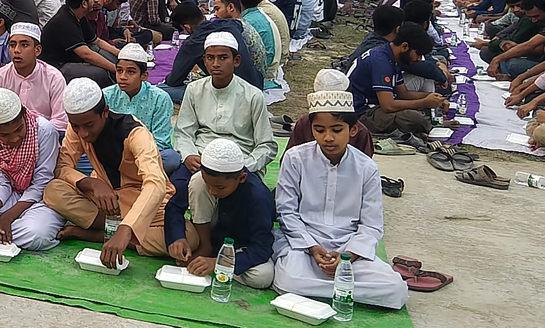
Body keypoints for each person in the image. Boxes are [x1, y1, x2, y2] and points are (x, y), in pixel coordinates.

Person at [272, 89, 409, 309]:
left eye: (337, 130)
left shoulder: (366, 167)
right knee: (287, 280)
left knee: (396, 289)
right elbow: (286, 211)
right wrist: (313, 247)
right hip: (304, 243)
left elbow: (372, 225)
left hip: (349, 245)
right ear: (311, 130)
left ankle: (323, 287)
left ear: (353, 129)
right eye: (319, 130)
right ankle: (346, 289)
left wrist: (348, 256)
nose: (328, 137)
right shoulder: (295, 158)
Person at [43, 78, 174, 268]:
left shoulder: (136, 134)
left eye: (89, 125)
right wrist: (91, 184)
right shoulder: (77, 126)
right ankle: (119, 232)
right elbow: (63, 166)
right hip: (105, 200)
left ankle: (105, 234)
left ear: (105, 112)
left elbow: (156, 184)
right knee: (53, 191)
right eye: (76, 126)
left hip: (141, 201)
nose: (83, 134)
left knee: (186, 238)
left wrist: (127, 228)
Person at [169, 32, 277, 231]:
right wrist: (188, 154)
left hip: (239, 163)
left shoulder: (253, 95)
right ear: (204, 60)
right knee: (173, 191)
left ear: (236, 61)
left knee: (260, 201)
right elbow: (183, 132)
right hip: (201, 159)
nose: (216, 64)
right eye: (210, 58)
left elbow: (266, 145)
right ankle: (180, 237)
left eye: (223, 58)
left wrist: (244, 167)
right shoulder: (194, 90)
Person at [164, 138, 276, 290]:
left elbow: (262, 247)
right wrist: (177, 238)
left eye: (220, 187)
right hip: (210, 235)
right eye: (208, 183)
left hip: (237, 246)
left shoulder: (258, 196)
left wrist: (219, 262)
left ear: (241, 178)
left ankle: (211, 263)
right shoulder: (203, 178)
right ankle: (205, 247)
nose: (212, 191)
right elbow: (174, 207)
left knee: (262, 276)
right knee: (196, 182)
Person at [0, 88, 66, 251]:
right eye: (5, 135)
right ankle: (6, 230)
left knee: (37, 234)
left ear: (23, 115)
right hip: (10, 194)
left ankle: (3, 232)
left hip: (43, 198)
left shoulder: (44, 130)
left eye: (18, 130)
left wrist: (9, 216)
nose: (14, 138)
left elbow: (42, 183)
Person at [346, 22, 444, 137]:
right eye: (418, 54)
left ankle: (424, 126)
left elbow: (404, 93)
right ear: (405, 47)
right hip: (363, 113)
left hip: (377, 107)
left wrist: (434, 98)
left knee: (424, 108)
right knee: (414, 119)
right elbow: (388, 106)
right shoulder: (381, 61)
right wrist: (424, 102)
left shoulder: (391, 57)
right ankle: (428, 125)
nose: (419, 59)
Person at [103, 43, 179, 173]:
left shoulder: (160, 98)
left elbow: (161, 141)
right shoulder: (106, 95)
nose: (122, 77)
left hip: (148, 154)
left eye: (131, 72)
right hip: (114, 153)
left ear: (144, 76)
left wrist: (136, 155)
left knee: (171, 158)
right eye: (119, 70)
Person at [0, 22, 68, 131]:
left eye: (24, 45)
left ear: (37, 50)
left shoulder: (53, 78)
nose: (16, 50)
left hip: (43, 137)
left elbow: (60, 121)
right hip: (6, 137)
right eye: (12, 45)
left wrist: (31, 135)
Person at [40, 0, 121, 86]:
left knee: (100, 51)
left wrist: (121, 55)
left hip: (73, 59)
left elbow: (97, 41)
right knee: (101, 73)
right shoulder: (64, 21)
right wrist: (117, 70)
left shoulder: (78, 15)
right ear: (84, 3)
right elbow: (86, 54)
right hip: (58, 66)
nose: (96, 0)